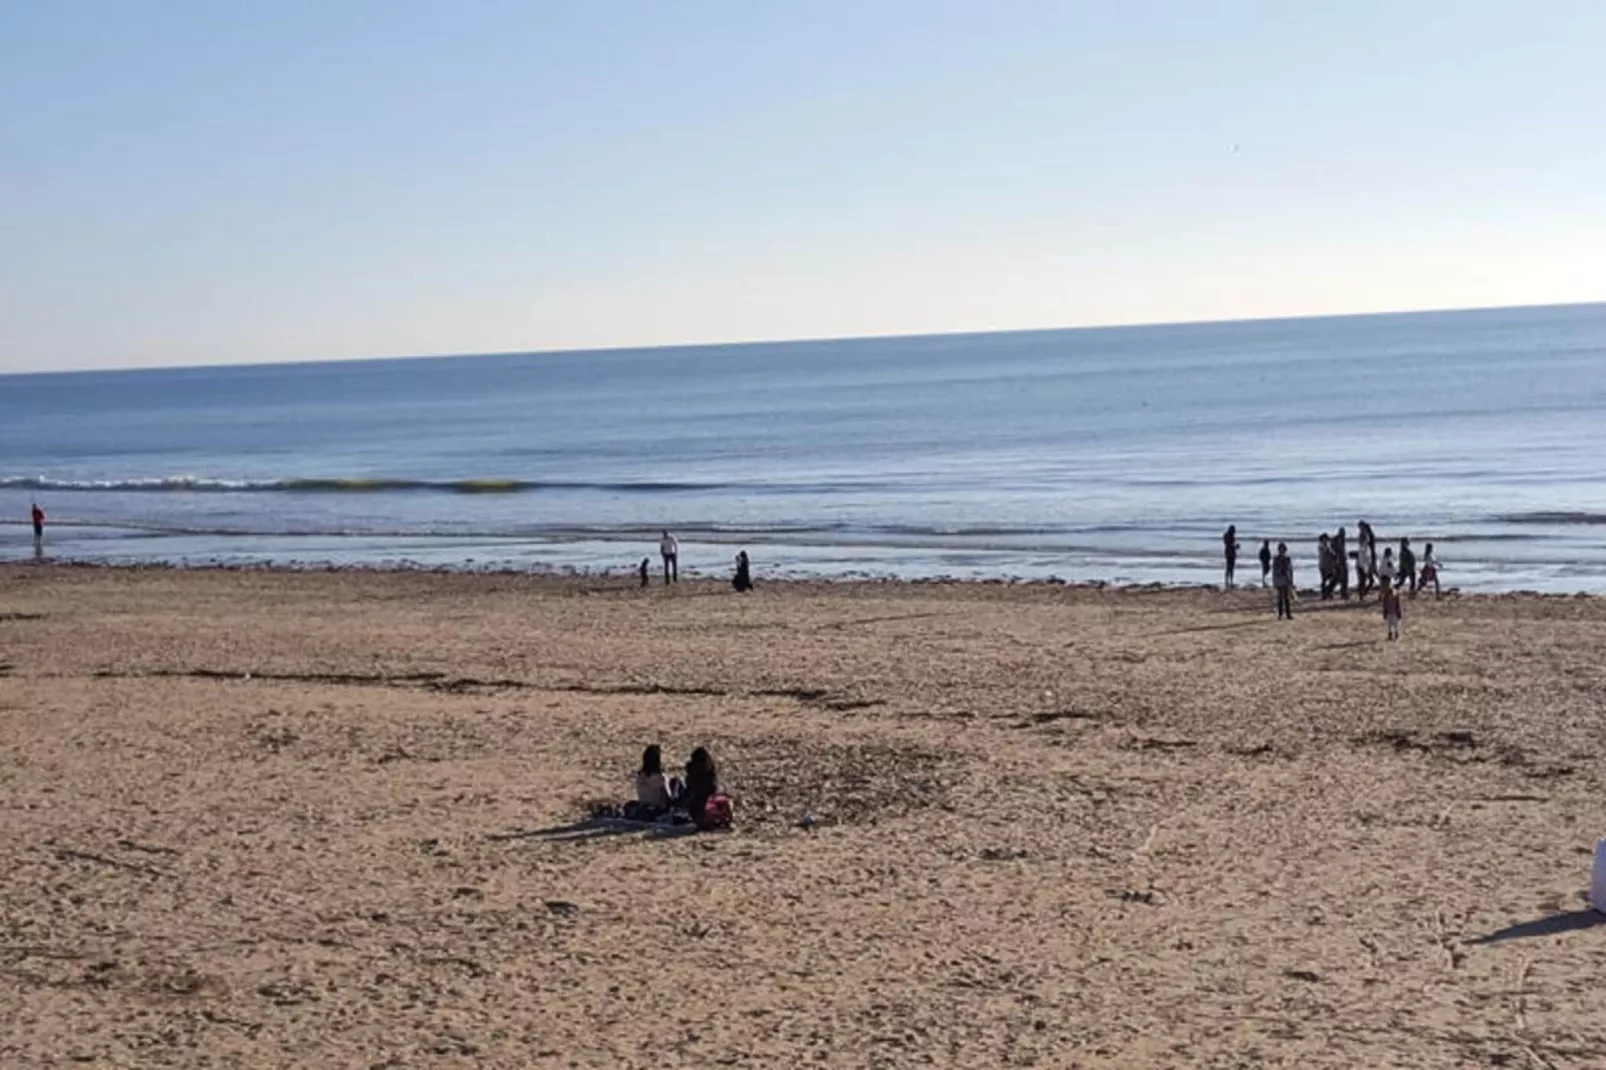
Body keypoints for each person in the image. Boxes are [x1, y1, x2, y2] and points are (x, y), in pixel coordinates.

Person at [682, 747, 720, 824]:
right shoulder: (709, 770)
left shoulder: (698, 772)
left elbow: (690, 785)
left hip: (699, 803)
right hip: (708, 802)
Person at [633, 745, 675, 814]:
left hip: (644, 806)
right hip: (659, 809)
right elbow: (666, 796)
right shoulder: (660, 778)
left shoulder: (640, 776)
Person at [1272, 542, 1294, 620]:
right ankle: (1280, 614)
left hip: (1286, 579)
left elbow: (1291, 570)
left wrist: (1291, 580)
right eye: (1281, 549)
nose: (1282, 551)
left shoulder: (1288, 558)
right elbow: (1274, 570)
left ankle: (1288, 614)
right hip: (1279, 580)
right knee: (1280, 598)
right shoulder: (1276, 559)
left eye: (1283, 549)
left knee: (1287, 598)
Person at [1381, 576, 1402, 641]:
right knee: (1389, 624)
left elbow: (1398, 605)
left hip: (1394, 612)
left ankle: (1396, 632)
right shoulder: (1386, 598)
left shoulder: (1395, 597)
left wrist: (1399, 612)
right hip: (1389, 612)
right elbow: (1384, 606)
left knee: (1395, 623)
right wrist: (1384, 612)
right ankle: (1390, 633)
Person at [1333, 527, 1350, 600]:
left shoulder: (1341, 539)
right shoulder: (1337, 540)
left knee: (1343, 577)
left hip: (1342, 560)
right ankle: (1343, 593)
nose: (1344, 535)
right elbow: (1337, 550)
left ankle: (1344, 593)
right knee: (1342, 577)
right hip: (1340, 561)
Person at [1317, 533, 1335, 600]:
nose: (1326, 540)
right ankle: (1325, 594)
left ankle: (1328, 593)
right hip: (1323, 565)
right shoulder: (1322, 545)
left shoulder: (1326, 545)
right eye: (1325, 539)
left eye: (1327, 539)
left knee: (1331, 578)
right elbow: (1328, 552)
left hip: (1328, 565)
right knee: (1325, 580)